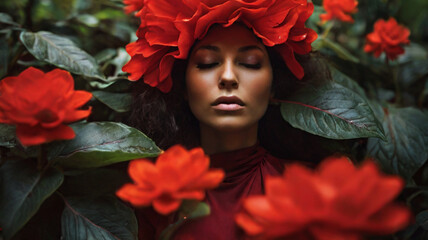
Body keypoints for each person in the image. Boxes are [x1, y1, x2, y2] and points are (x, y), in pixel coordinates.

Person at [123, 0, 326, 239]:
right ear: (182, 86)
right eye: (208, 63)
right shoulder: (146, 196)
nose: (228, 77)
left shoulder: (313, 189)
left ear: (275, 86)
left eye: (250, 63)